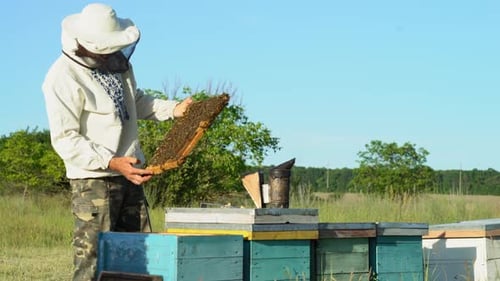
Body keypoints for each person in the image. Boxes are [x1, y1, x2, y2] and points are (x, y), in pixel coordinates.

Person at [42, 3, 192, 281]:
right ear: (86, 44)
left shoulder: (117, 66)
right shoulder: (61, 77)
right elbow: (65, 138)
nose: (113, 53)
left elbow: (135, 102)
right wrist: (111, 161)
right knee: (94, 262)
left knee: (139, 258)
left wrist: (174, 109)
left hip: (130, 176)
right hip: (94, 181)